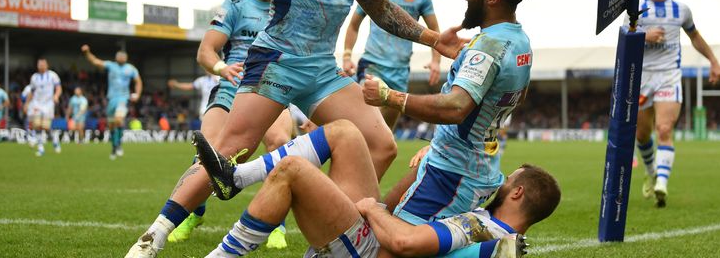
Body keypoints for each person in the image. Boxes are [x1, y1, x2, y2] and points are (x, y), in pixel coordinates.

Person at [124, 0, 464, 257]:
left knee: (381, 144)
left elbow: (381, 11)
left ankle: (334, 239)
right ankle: (154, 235)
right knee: (232, 150)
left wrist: (434, 40)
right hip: (277, 61)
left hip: (322, 70)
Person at [193, 120, 560, 257]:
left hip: (371, 250)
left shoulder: (488, 232)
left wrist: (372, 210)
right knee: (346, 133)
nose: (502, 181)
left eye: (509, 179)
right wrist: (429, 166)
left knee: (292, 169)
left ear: (518, 194)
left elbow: (403, 242)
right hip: (377, 236)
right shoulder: (494, 230)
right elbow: (398, 212)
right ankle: (235, 178)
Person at [363, 0, 532, 225]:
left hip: (453, 174)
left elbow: (455, 108)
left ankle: (488, 249)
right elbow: (515, 95)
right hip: (458, 160)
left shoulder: (488, 46)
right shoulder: (518, 40)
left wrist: (388, 96)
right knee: (383, 215)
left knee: (391, 245)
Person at [165, 0, 292, 248]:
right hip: (232, 86)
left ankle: (276, 225)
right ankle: (193, 214)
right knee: (207, 150)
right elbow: (206, 51)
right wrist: (222, 68)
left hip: (271, 86)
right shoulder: (234, 5)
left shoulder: (289, 4)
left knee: (280, 143)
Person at [633, 0, 720, 208]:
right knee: (642, 134)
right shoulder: (636, 10)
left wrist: (713, 61)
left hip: (669, 75)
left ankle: (661, 182)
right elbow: (625, 40)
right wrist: (643, 35)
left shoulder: (681, 10)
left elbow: (694, 36)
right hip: (641, 77)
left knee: (663, 128)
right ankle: (651, 174)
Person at [343, 0, 441, 130]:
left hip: (400, 71)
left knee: (386, 137)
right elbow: (354, 25)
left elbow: (434, 31)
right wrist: (347, 55)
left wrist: (436, 60)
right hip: (373, 65)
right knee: (371, 126)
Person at [81, 45, 142, 159]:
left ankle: (118, 145)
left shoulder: (131, 69)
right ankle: (115, 146)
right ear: (116, 57)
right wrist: (87, 52)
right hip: (111, 99)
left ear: (126, 57)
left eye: (123, 56)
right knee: (112, 125)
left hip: (123, 98)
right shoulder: (111, 65)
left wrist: (137, 94)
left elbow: (138, 81)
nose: (121, 57)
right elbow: (95, 61)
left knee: (119, 120)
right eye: (119, 55)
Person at [24, 59, 62, 156]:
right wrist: (27, 104)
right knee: (36, 125)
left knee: (46, 127)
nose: (41, 66)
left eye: (43, 64)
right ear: (37, 66)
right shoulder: (34, 77)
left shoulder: (53, 75)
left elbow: (58, 88)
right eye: (39, 64)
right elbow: (31, 92)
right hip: (37, 104)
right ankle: (41, 148)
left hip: (48, 103)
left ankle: (55, 141)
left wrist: (56, 96)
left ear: (47, 65)